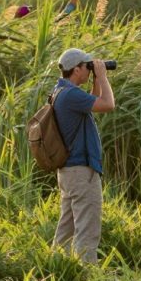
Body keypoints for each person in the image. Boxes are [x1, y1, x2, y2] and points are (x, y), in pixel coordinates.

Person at [52, 48, 116, 263]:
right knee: (87, 230)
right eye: (87, 67)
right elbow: (108, 104)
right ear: (76, 69)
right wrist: (104, 78)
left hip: (69, 171)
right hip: (81, 172)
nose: (89, 70)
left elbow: (93, 101)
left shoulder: (62, 92)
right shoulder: (71, 95)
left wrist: (97, 78)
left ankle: (56, 268)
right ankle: (89, 280)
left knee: (67, 228)